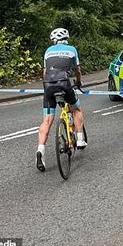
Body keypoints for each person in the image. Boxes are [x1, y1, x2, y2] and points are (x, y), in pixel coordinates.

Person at [36, 28, 86, 172]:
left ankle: (40, 151)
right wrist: (78, 82)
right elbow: (78, 70)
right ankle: (80, 138)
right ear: (67, 38)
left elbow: (45, 72)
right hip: (64, 83)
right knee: (76, 109)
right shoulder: (72, 49)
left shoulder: (48, 51)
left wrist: (47, 88)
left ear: (54, 40)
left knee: (46, 121)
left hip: (48, 85)